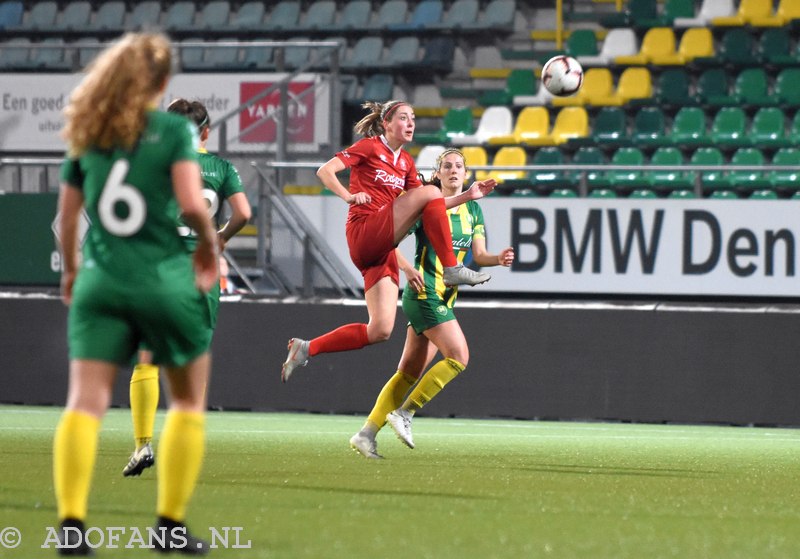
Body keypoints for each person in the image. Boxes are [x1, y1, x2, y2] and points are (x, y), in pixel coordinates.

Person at [53, 33, 218, 555]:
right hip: (163, 279)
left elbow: (66, 219)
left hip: (102, 279)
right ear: (163, 82)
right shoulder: (172, 130)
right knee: (188, 400)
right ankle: (169, 526)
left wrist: (72, 273)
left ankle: (72, 529)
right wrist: (210, 249)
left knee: (84, 402)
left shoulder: (89, 130)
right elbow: (193, 205)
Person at [281, 101, 494, 382]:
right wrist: (348, 196)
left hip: (381, 251)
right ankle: (452, 268)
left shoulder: (405, 162)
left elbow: (433, 206)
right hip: (364, 230)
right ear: (386, 124)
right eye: (403, 118)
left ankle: (306, 348)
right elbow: (325, 171)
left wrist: (467, 196)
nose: (411, 124)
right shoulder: (370, 147)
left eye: (413, 118)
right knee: (429, 192)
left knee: (379, 330)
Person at [349, 148, 514, 459]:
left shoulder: (473, 211)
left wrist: (497, 259)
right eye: (447, 166)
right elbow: (387, 241)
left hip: (444, 297)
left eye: (459, 166)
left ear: (467, 174)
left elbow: (478, 256)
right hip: (424, 293)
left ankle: (366, 433)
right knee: (459, 356)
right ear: (437, 174)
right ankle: (405, 413)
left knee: (407, 373)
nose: (453, 170)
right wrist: (407, 269)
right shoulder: (428, 204)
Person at [123, 98, 252, 478]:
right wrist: (221, 237)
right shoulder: (222, 167)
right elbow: (244, 213)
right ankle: (184, 450)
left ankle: (143, 445)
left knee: (146, 357)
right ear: (207, 132)